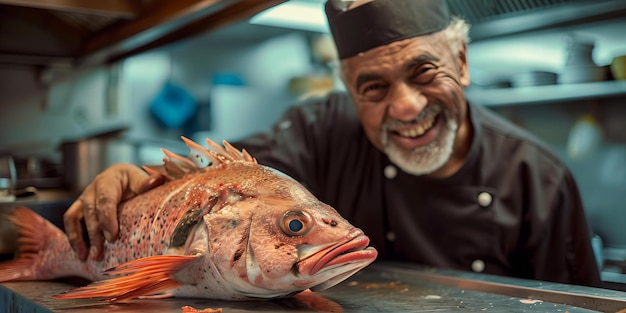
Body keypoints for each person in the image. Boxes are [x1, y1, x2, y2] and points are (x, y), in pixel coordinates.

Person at [62, 0, 602, 287]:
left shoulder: (541, 179)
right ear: (347, 89)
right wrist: (142, 179)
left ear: (461, 62)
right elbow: (230, 191)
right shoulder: (319, 130)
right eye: (374, 88)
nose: (406, 107)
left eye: (424, 71)